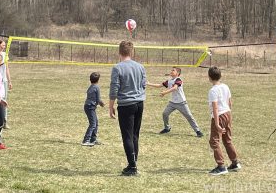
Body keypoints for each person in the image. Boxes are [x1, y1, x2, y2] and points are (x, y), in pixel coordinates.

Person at [109, 41, 146, 176]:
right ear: (132, 52)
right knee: (135, 135)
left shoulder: (117, 68)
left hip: (126, 105)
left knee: (127, 136)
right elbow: (143, 85)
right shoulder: (141, 67)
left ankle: (132, 166)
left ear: (119, 52)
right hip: (139, 104)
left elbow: (114, 88)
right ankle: (133, 163)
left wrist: (111, 105)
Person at [147, 67, 203, 138]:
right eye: (171, 70)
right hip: (172, 103)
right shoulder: (169, 81)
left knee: (189, 116)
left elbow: (175, 88)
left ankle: (198, 131)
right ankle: (167, 128)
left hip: (181, 103)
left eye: (173, 70)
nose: (171, 71)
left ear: (178, 73)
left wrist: (165, 92)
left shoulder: (178, 80)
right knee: (165, 114)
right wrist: (149, 84)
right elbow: (159, 85)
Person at [207, 66, 241, 175]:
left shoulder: (213, 90)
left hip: (220, 115)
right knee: (227, 139)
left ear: (209, 77)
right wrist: (229, 114)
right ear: (220, 76)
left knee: (214, 141)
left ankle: (221, 166)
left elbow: (215, 107)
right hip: (227, 113)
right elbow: (230, 102)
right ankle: (235, 163)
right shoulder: (225, 86)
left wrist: (217, 123)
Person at [82, 72, 105, 147]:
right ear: (98, 80)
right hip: (90, 107)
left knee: (96, 123)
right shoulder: (96, 87)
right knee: (93, 124)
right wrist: (102, 104)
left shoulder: (91, 86)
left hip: (88, 106)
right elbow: (98, 99)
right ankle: (86, 140)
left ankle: (93, 139)